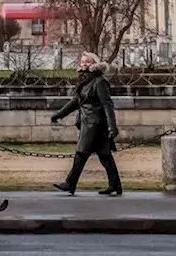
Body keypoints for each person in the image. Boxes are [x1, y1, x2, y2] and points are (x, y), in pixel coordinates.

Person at [50, 51, 122, 196]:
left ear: (95, 64)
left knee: (81, 154)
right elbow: (75, 102)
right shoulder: (86, 81)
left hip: (94, 125)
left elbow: (107, 105)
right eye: (82, 61)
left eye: (87, 61)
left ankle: (70, 183)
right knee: (105, 156)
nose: (84, 64)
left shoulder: (99, 81)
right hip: (89, 124)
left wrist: (112, 126)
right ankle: (115, 185)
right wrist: (59, 115)